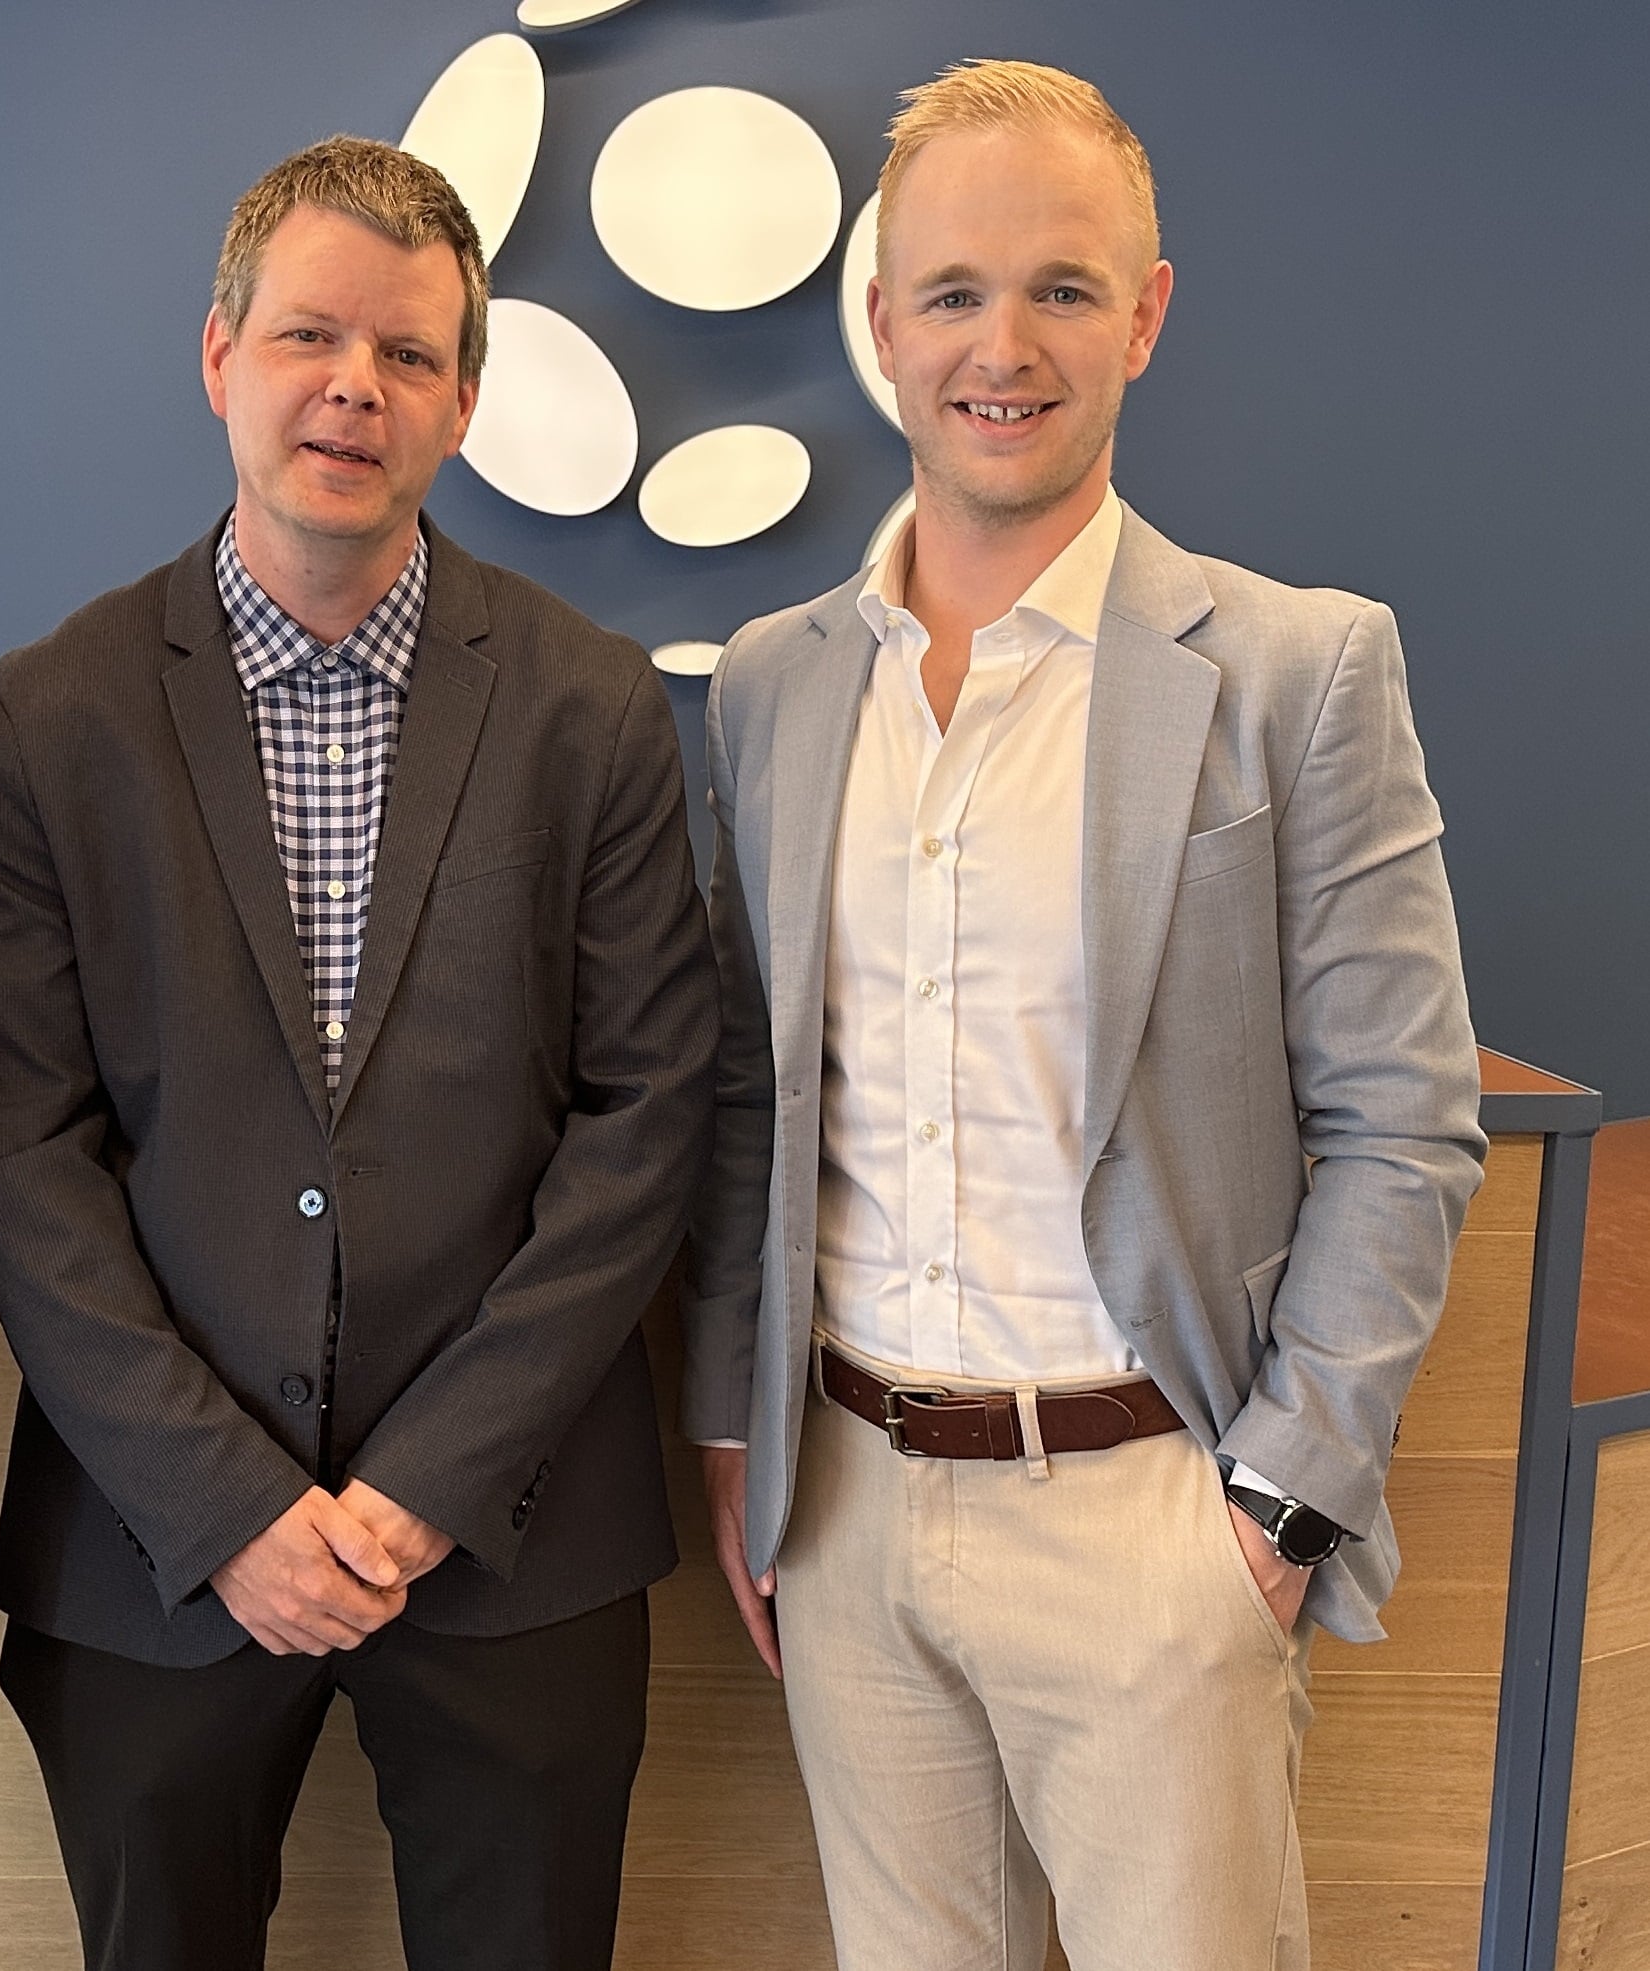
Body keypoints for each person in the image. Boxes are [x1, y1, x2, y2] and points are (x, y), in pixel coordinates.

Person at [682, 59, 1486, 1971]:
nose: (1003, 346)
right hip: (844, 1513)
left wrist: (1276, 1507)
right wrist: (732, 1438)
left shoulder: (1295, 669)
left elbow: (1401, 1119)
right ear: (881, 321)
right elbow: (748, 1103)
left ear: (1145, 313)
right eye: (953, 292)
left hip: (1155, 1519)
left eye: (1061, 287)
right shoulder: (774, 686)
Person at [0, 135, 716, 1971]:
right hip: (154, 1549)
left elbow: (642, 1120)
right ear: (220, 356)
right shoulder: (53, 715)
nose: (353, 386)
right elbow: (20, 1152)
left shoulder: (592, 707)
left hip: (515, 1531)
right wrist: (227, 1505)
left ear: (463, 403)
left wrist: (428, 1483)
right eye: (308, 335)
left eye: (407, 354)